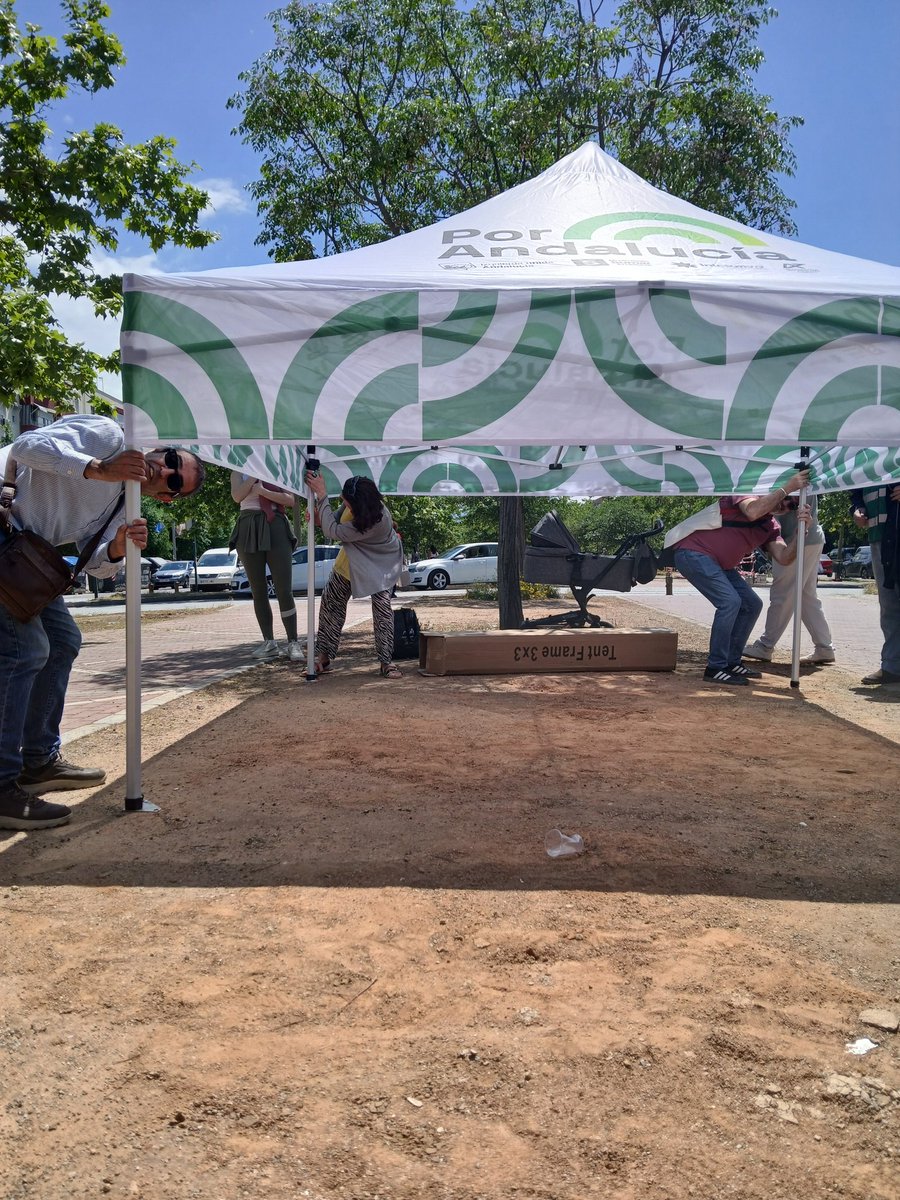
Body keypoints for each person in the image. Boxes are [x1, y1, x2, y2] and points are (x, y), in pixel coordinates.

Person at [0, 415, 205, 831]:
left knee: (63, 642)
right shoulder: (109, 437)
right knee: (27, 650)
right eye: (170, 459)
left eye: (174, 481)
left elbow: (96, 567)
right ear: (158, 449)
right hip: (6, 534)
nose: (164, 470)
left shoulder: (125, 505)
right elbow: (24, 447)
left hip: (23, 556)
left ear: (167, 499)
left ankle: (38, 761)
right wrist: (98, 468)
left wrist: (116, 549)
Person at [672, 470, 811, 686]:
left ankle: (731, 661)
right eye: (785, 498)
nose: (785, 504)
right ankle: (715, 667)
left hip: (720, 565)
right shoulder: (744, 492)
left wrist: (801, 532)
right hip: (693, 553)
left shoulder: (770, 527)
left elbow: (784, 557)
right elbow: (752, 511)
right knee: (730, 602)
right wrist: (788, 487)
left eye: (792, 505)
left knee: (752, 604)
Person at [304, 471, 404, 678]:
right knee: (331, 603)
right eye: (343, 500)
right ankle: (323, 656)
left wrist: (322, 495)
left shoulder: (378, 520)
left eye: (347, 502)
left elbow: (334, 532)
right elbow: (334, 522)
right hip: (350, 560)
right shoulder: (354, 502)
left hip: (379, 564)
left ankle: (386, 662)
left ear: (361, 506)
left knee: (382, 608)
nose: (344, 505)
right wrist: (320, 518)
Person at [742, 493, 836, 665]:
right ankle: (824, 647)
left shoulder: (791, 480)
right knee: (806, 597)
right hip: (810, 537)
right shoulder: (803, 479)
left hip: (795, 541)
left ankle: (765, 646)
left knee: (782, 594)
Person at [230, 472, 304, 662]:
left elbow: (290, 500)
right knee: (258, 590)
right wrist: (253, 477)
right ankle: (269, 642)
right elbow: (237, 496)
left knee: (284, 590)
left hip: (275, 524)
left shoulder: (276, 466)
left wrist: (263, 491)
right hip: (248, 525)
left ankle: (293, 642)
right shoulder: (237, 470)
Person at [851, 482, 900, 686]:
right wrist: (857, 508)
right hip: (879, 537)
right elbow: (856, 489)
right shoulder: (864, 462)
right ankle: (892, 667)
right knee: (889, 606)